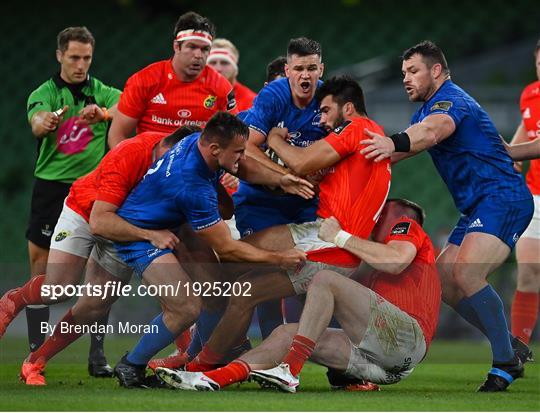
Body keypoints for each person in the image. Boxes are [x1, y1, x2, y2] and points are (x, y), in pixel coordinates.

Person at [180, 76, 391, 375]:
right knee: (229, 262)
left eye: (327, 110)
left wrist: (274, 137)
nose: (322, 119)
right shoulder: (370, 142)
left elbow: (302, 162)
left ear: (349, 109)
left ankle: (202, 364)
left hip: (329, 242)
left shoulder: (357, 128)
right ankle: (208, 355)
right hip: (319, 233)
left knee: (240, 289)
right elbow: (321, 176)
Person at [359, 40, 533, 392]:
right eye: (404, 72)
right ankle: (509, 346)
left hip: (504, 197)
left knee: (467, 272)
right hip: (477, 206)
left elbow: (432, 132)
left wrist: (392, 143)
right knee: (446, 282)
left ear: (436, 71)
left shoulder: (449, 101)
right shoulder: (422, 113)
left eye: (413, 71)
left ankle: (504, 362)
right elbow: (404, 148)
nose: (406, 78)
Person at [110, 111, 315, 387]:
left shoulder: (200, 142)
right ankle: (131, 366)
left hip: (173, 224)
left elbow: (242, 167)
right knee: (185, 307)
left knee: (216, 292)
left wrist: (280, 179)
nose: (242, 156)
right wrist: (278, 258)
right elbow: (228, 250)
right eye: (239, 151)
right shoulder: (192, 186)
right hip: (140, 236)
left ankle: (198, 362)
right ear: (215, 149)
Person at [155, 199, 440, 392]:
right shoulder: (370, 254)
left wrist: (339, 236)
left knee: (325, 279)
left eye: (381, 213)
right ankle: (210, 378)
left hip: (406, 338)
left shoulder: (407, 227)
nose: (375, 218)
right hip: (387, 365)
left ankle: (290, 369)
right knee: (286, 333)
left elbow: (395, 260)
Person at [0, 127, 197, 385]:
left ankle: (35, 362)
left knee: (93, 306)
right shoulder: (131, 153)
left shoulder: (184, 168)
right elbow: (100, 222)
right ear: (170, 149)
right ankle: (14, 299)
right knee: (57, 290)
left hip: (126, 229)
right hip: (86, 213)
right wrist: (150, 235)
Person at [25, 26, 121, 376]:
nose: (80, 64)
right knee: (43, 274)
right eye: (74, 57)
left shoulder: (102, 92)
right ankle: (35, 355)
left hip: (94, 191)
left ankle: (97, 356)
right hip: (51, 189)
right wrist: (45, 121)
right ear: (59, 56)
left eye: (86, 58)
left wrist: (105, 114)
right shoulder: (46, 93)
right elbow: (36, 120)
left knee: (103, 274)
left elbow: (125, 106)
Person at [108, 11, 236, 148]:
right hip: (149, 165)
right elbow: (117, 135)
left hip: (198, 167)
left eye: (205, 49)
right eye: (192, 47)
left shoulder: (221, 87)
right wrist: (131, 167)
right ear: (176, 46)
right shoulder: (143, 80)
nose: (198, 55)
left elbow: (233, 140)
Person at [508, 39, 540, 346]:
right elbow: (528, 126)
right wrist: (515, 154)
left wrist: (509, 150)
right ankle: (518, 349)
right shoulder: (530, 94)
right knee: (529, 270)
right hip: (536, 196)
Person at [207, 38, 256, 111]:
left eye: (224, 63)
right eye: (213, 62)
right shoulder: (191, 94)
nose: (218, 68)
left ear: (235, 68)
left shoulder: (251, 101)